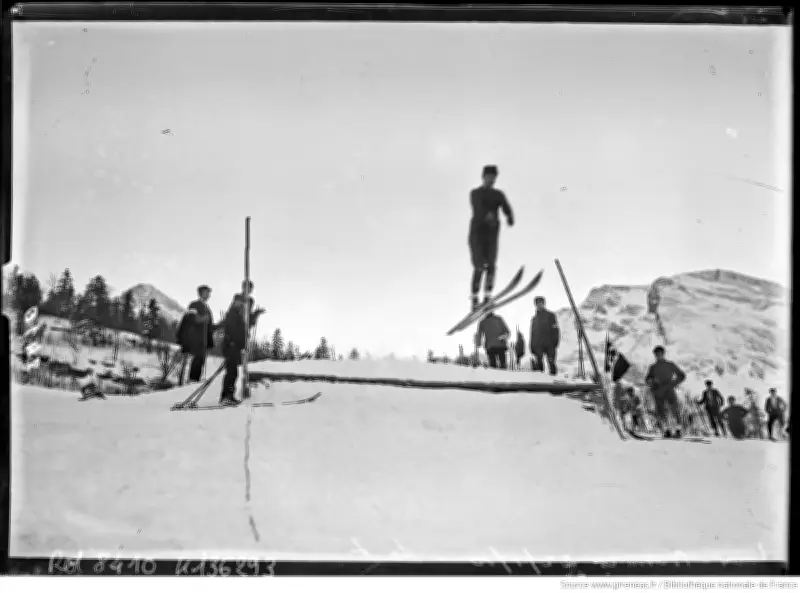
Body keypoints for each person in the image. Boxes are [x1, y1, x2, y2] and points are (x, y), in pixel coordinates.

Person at [468, 165, 514, 310]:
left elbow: (506, 206)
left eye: (494, 177)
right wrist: (487, 215)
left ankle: (487, 296)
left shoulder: (498, 194)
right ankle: (475, 299)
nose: (491, 180)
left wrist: (509, 216)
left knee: (492, 264)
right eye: (489, 177)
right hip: (477, 233)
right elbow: (477, 207)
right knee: (480, 264)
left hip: (492, 234)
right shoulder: (476, 193)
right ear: (483, 177)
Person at [219, 283, 265, 405]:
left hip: (238, 343)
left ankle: (228, 395)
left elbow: (248, 322)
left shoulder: (246, 306)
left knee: (233, 370)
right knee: (232, 370)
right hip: (231, 343)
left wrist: (256, 315)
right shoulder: (234, 310)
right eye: (246, 288)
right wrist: (232, 341)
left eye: (250, 288)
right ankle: (226, 396)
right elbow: (230, 324)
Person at [176, 285, 215, 385]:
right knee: (196, 359)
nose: (209, 294)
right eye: (207, 292)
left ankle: (195, 381)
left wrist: (223, 324)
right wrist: (203, 319)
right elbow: (191, 318)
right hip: (194, 339)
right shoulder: (194, 304)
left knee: (201, 360)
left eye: (209, 293)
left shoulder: (207, 308)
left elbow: (210, 327)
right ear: (201, 293)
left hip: (202, 340)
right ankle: (191, 381)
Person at [644, 345, 687, 439]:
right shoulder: (653, 367)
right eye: (656, 354)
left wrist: (673, 383)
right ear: (655, 355)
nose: (658, 355)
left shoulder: (670, 364)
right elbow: (647, 379)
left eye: (660, 353)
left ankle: (678, 430)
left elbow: (681, 375)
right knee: (660, 411)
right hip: (658, 391)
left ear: (663, 354)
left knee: (674, 409)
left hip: (669, 389)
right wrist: (651, 383)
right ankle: (666, 430)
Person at [529, 296, 560, 376]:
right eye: (537, 303)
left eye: (540, 303)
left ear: (544, 304)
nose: (539, 305)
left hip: (549, 343)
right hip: (538, 344)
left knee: (551, 361)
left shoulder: (550, 315)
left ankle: (553, 379)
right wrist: (532, 345)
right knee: (539, 363)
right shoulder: (534, 319)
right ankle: (540, 380)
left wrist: (555, 341)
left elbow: (555, 329)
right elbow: (532, 333)